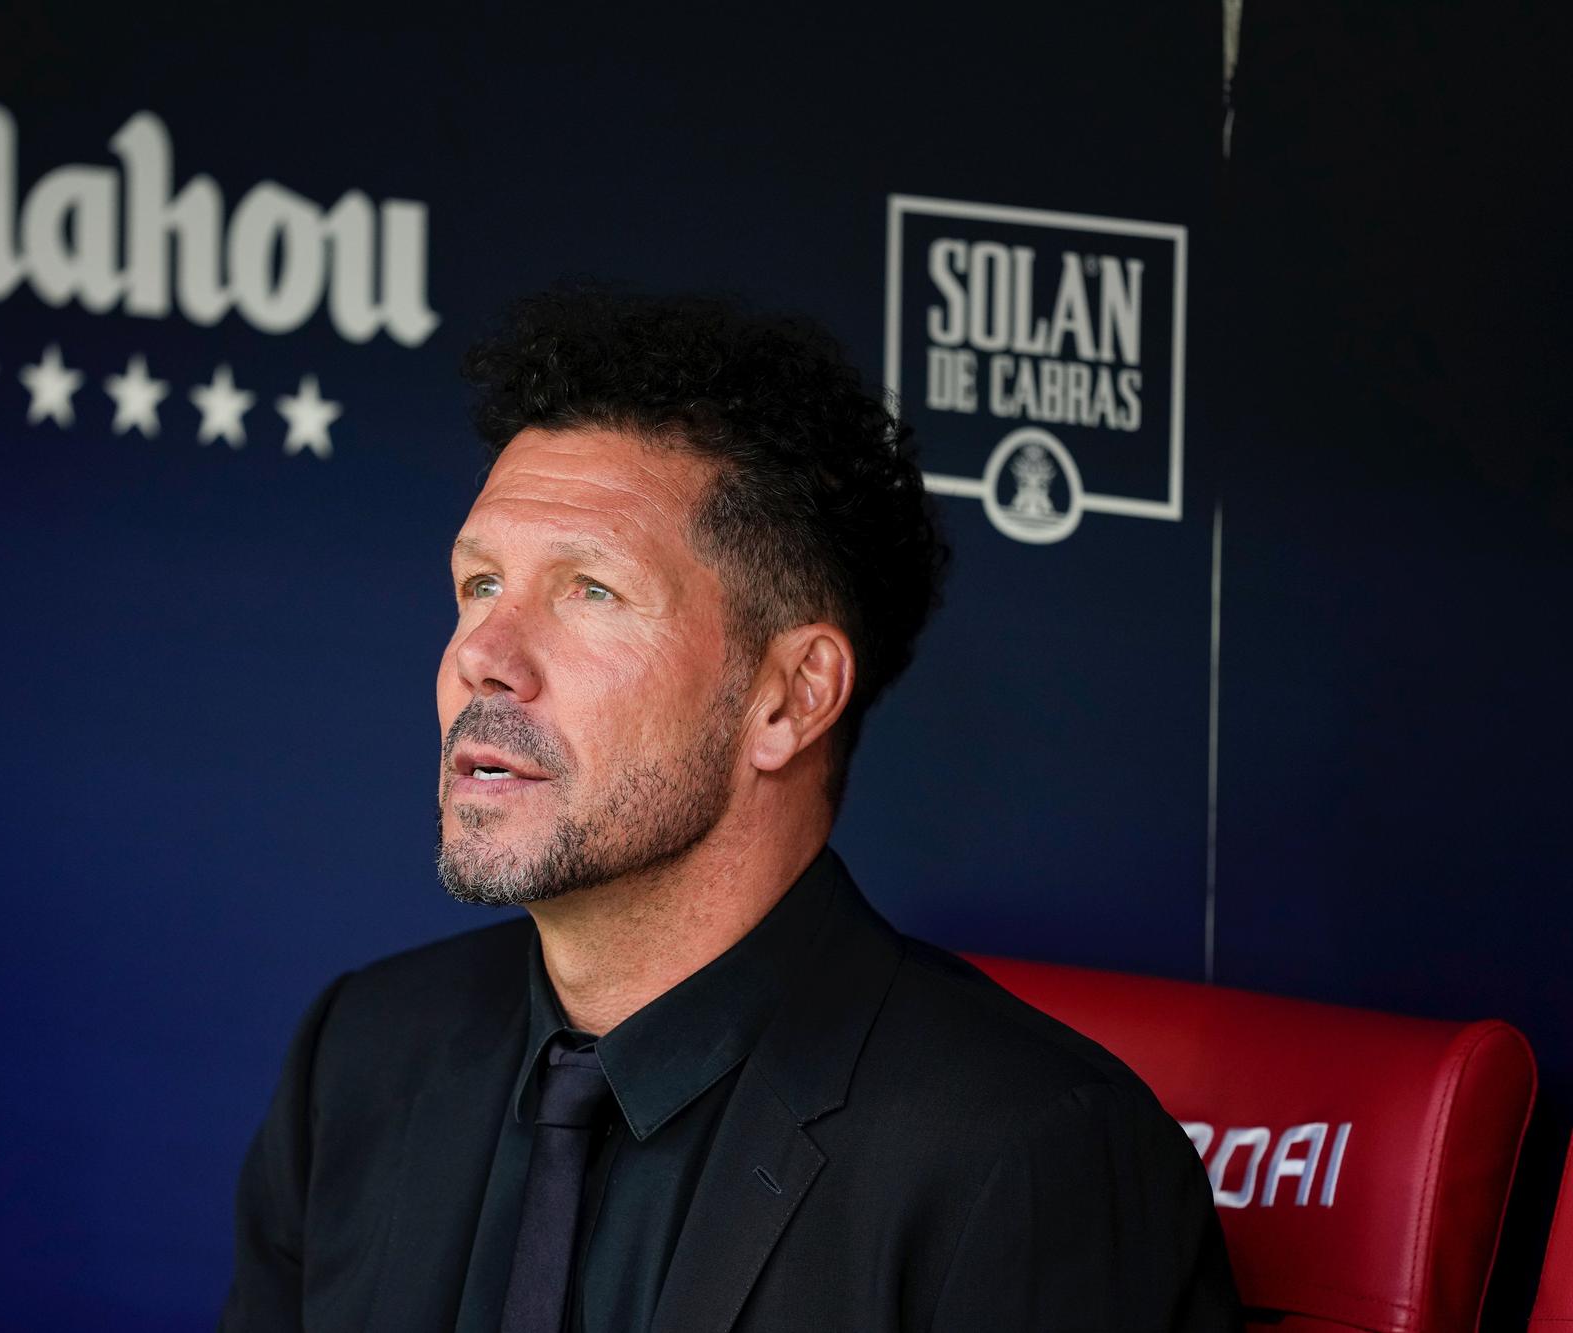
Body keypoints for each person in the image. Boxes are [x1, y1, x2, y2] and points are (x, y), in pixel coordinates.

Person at [220, 288, 1240, 1331]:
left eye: (589, 592)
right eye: (478, 584)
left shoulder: (1023, 1155)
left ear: (789, 698)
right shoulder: (360, 1057)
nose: (481, 656)